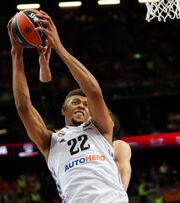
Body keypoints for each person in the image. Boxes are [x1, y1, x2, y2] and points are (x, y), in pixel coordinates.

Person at [7, 10, 129, 203]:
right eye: (76, 102)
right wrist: (17, 54)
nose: (82, 105)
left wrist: (59, 48)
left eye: (85, 104)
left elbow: (94, 92)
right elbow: (24, 108)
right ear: (63, 109)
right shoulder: (50, 142)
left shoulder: (102, 129)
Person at [38, 39, 132, 191]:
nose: (84, 108)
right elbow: (48, 101)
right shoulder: (69, 131)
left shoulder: (118, 146)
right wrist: (44, 65)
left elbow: (123, 179)